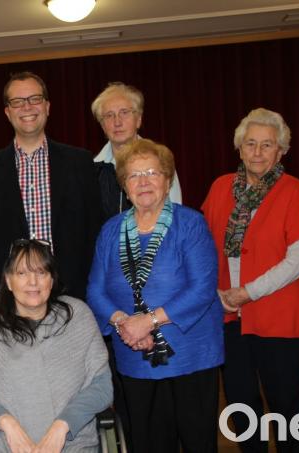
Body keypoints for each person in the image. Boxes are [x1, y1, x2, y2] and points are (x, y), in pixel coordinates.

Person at [87, 139, 223, 453]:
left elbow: (202, 288)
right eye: (134, 175)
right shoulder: (110, 230)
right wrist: (123, 323)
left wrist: (147, 322)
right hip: (133, 354)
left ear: (168, 180)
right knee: (146, 442)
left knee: (197, 442)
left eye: (152, 173)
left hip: (190, 354)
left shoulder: (190, 223)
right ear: (124, 185)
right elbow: (95, 289)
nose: (143, 182)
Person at [201, 108, 299, 453]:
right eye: (250, 143)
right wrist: (216, 293)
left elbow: (298, 261)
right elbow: (203, 246)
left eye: (267, 145)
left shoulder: (294, 191)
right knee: (241, 406)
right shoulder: (220, 187)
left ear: (281, 151)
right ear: (239, 148)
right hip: (228, 318)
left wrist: (247, 292)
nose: (257, 152)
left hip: (279, 319)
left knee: (287, 407)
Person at [0, 239, 112, 453]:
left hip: (72, 446)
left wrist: (62, 426)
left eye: (41, 272)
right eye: (22, 273)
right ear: (8, 281)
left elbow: (101, 387)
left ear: (51, 280)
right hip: (3, 447)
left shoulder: (78, 317)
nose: (33, 282)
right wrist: (6, 422)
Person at [0, 71, 101, 307]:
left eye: (35, 99)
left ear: (47, 106)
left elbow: (94, 231)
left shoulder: (80, 162)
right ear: (7, 112)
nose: (27, 107)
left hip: (71, 298)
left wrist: (90, 291)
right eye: (17, 101)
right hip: (8, 300)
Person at [91, 82, 181, 221]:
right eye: (109, 115)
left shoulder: (159, 160)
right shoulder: (92, 169)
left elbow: (176, 214)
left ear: (138, 119)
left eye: (124, 113)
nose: (117, 122)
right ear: (102, 126)